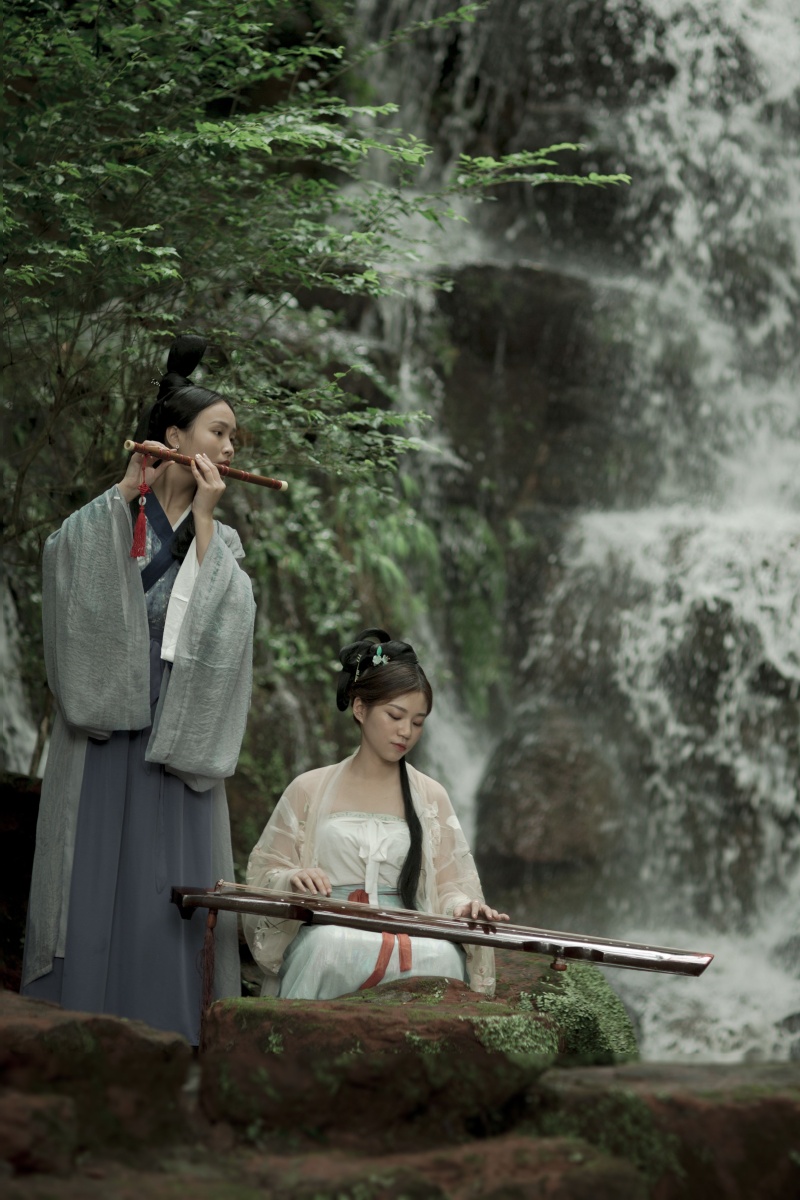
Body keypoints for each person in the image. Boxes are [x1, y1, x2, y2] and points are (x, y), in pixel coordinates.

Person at [21, 335, 256, 1044]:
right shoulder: (112, 514)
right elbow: (62, 564)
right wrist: (126, 491)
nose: (229, 448)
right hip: (108, 714)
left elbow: (232, 616)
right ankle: (79, 1022)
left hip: (179, 721)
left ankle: (173, 1028)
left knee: (168, 883)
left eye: (233, 439)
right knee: (92, 869)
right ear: (174, 438)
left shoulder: (222, 538)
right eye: (218, 432)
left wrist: (205, 519)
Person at [244, 628, 507, 999]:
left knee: (443, 957)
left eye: (418, 722)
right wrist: (292, 878)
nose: (406, 732)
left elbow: (447, 886)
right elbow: (264, 872)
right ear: (360, 708)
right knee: (330, 946)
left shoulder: (431, 796)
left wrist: (464, 907)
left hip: (409, 930)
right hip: (328, 927)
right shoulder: (309, 788)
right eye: (395, 716)